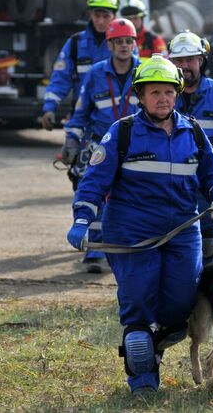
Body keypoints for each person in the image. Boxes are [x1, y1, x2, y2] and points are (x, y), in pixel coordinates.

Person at [66, 55, 213, 394]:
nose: (163, 99)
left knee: (180, 307)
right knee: (139, 308)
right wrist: (82, 219)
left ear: (178, 94)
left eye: (169, 92)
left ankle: (153, 348)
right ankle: (142, 376)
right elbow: (93, 181)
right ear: (140, 96)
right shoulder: (122, 133)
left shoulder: (193, 132)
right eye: (154, 92)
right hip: (132, 234)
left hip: (184, 232)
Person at [62, 18, 141, 273]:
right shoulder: (96, 74)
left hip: (136, 145)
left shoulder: (146, 72)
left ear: (134, 44)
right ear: (109, 45)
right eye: (118, 41)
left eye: (128, 41)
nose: (124, 46)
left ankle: (128, 249)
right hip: (100, 145)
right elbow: (81, 110)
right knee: (96, 194)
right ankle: (95, 251)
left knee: (133, 199)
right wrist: (71, 141)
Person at [168, 30, 213, 265]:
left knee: (206, 237)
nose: (185, 66)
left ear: (201, 61)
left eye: (190, 60)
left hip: (207, 175)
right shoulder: (165, 94)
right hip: (172, 175)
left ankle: (203, 282)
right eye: (179, 61)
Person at [40, 0, 120, 130]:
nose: (101, 21)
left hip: (114, 122)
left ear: (114, 16)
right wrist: (49, 108)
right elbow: (60, 78)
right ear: (90, 15)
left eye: (106, 16)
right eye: (97, 15)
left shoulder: (123, 45)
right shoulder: (76, 44)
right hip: (82, 118)